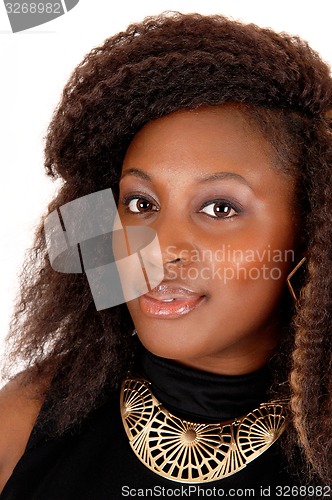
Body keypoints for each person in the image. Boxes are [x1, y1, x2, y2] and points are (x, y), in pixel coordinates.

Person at [0, 11, 332, 499]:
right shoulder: (31, 414)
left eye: (220, 208)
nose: (159, 251)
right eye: (141, 204)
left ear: (310, 234)